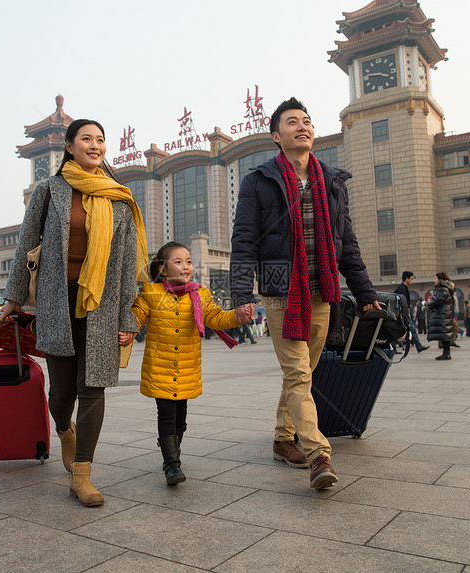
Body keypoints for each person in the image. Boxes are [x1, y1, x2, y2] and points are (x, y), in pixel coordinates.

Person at [229, 97, 380, 490]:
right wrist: (241, 293)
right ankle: (318, 454)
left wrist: (365, 293)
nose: (303, 127)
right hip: (281, 290)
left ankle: (282, 439)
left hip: (322, 289)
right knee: (298, 372)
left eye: (307, 121)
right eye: (292, 122)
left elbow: (347, 241)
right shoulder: (259, 180)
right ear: (276, 136)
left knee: (303, 373)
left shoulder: (331, 180)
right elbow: (244, 240)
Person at [0, 118, 148, 507]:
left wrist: (128, 317)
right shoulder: (49, 192)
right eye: (86, 139)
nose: (95, 145)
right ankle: (64, 429)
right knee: (62, 391)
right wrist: (13, 297)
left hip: (101, 302)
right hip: (56, 299)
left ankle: (82, 474)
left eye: (100, 140)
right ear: (69, 146)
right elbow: (26, 245)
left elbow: (128, 260)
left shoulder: (119, 197)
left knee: (92, 388)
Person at [132, 242, 249, 485]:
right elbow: (137, 316)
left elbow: (215, 317)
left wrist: (236, 316)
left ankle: (172, 451)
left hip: (187, 367)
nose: (185, 266)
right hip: (160, 367)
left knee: (180, 418)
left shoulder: (201, 293)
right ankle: (172, 464)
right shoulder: (151, 293)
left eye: (188, 261)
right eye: (178, 261)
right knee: (165, 414)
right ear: (163, 270)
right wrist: (127, 330)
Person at [394, 271, 428, 353]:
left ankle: (417, 346)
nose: (412, 280)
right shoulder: (402, 288)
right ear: (407, 278)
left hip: (403, 313)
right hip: (403, 313)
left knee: (398, 330)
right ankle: (418, 346)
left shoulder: (403, 288)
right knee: (410, 329)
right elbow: (401, 301)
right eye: (411, 278)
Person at [427, 272, 456, 360]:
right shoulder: (445, 288)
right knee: (445, 333)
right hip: (445, 314)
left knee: (445, 333)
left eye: (435, 278)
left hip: (443, 314)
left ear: (440, 280)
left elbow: (438, 300)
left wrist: (429, 305)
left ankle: (446, 353)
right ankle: (446, 353)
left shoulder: (443, 289)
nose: (434, 280)